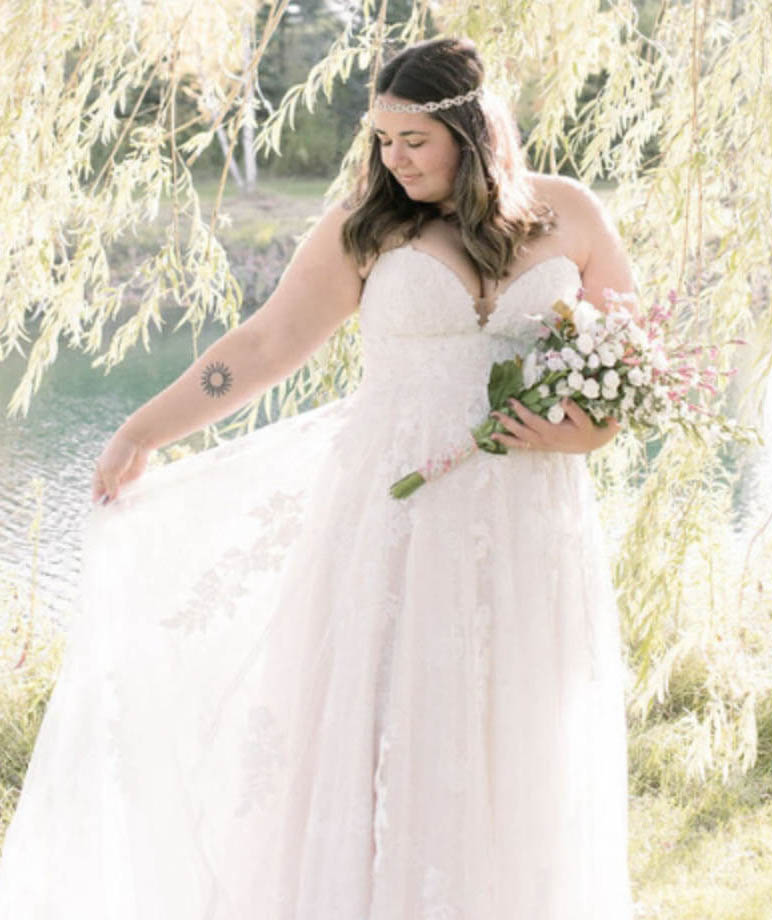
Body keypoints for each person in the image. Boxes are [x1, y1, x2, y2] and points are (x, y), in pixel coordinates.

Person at [0, 36, 635, 919]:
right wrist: (143, 427)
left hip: (530, 518)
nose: (392, 158)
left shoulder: (569, 212)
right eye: (381, 139)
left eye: (413, 139)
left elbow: (633, 355)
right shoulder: (364, 231)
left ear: (471, 130)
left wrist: (583, 437)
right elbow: (261, 347)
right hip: (393, 520)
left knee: (518, 730)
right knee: (386, 727)